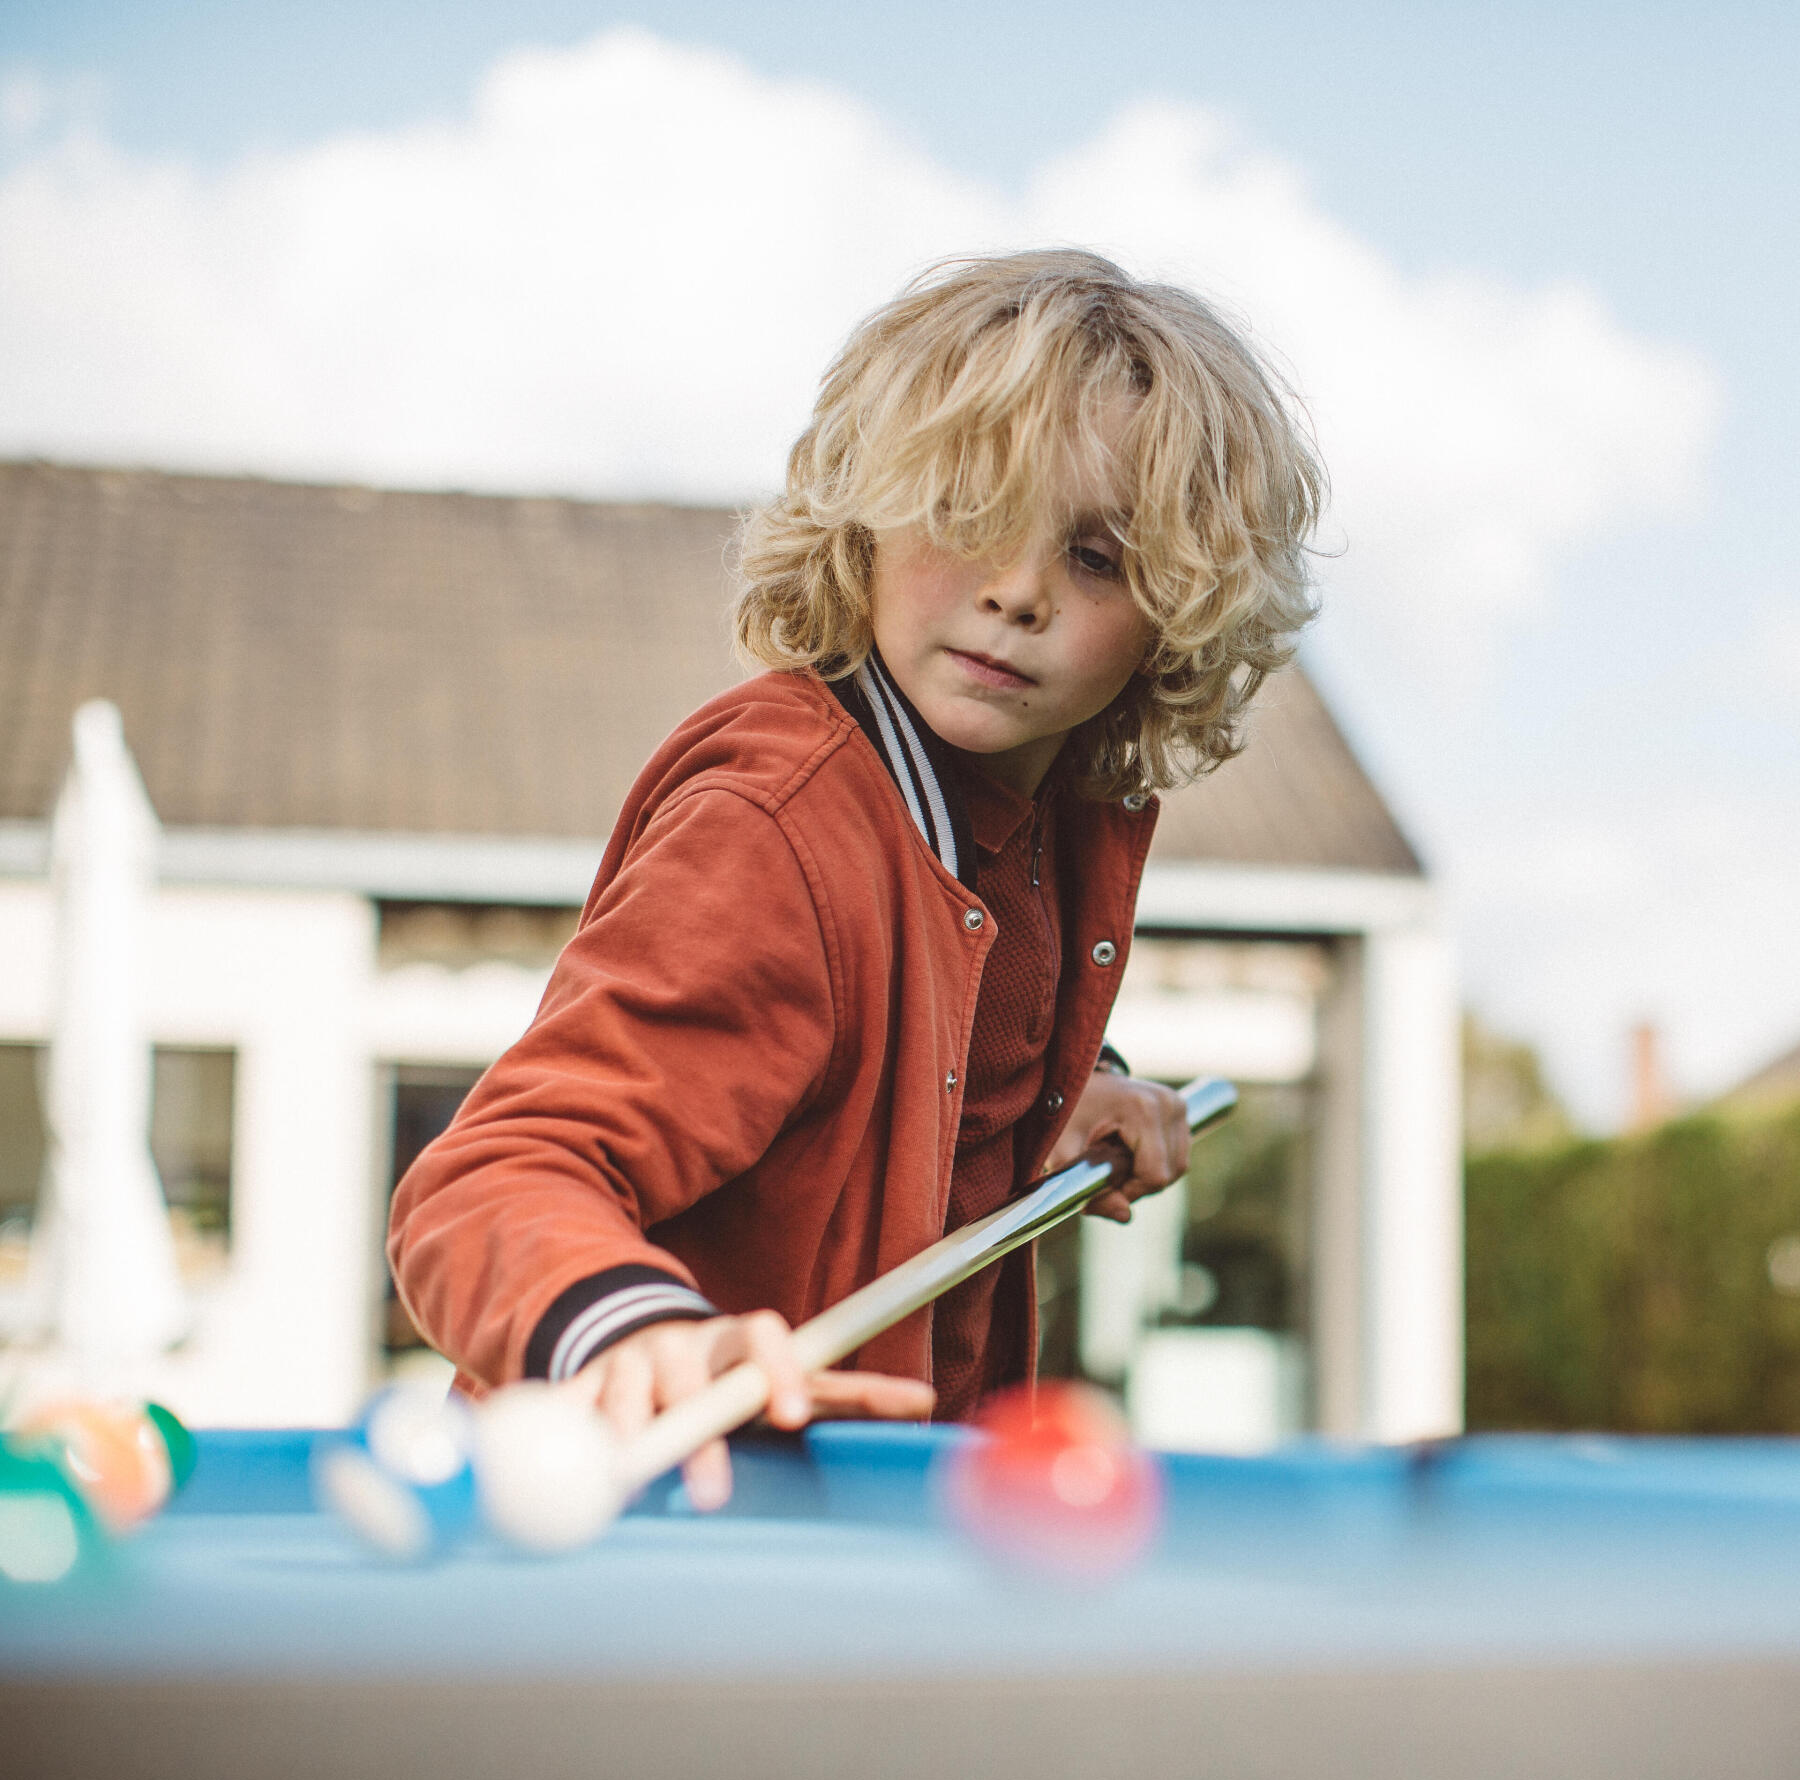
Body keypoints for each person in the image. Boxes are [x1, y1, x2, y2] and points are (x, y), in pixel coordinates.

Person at [389, 249, 1323, 1506]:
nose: (1016, 590)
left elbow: (908, 1052)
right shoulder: (778, 826)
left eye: (1097, 557)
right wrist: (634, 1336)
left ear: (1180, 615)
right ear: (864, 515)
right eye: (969, 511)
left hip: (859, 1528)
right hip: (650, 1530)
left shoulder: (1035, 818)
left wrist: (1065, 1095)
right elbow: (492, 1177)